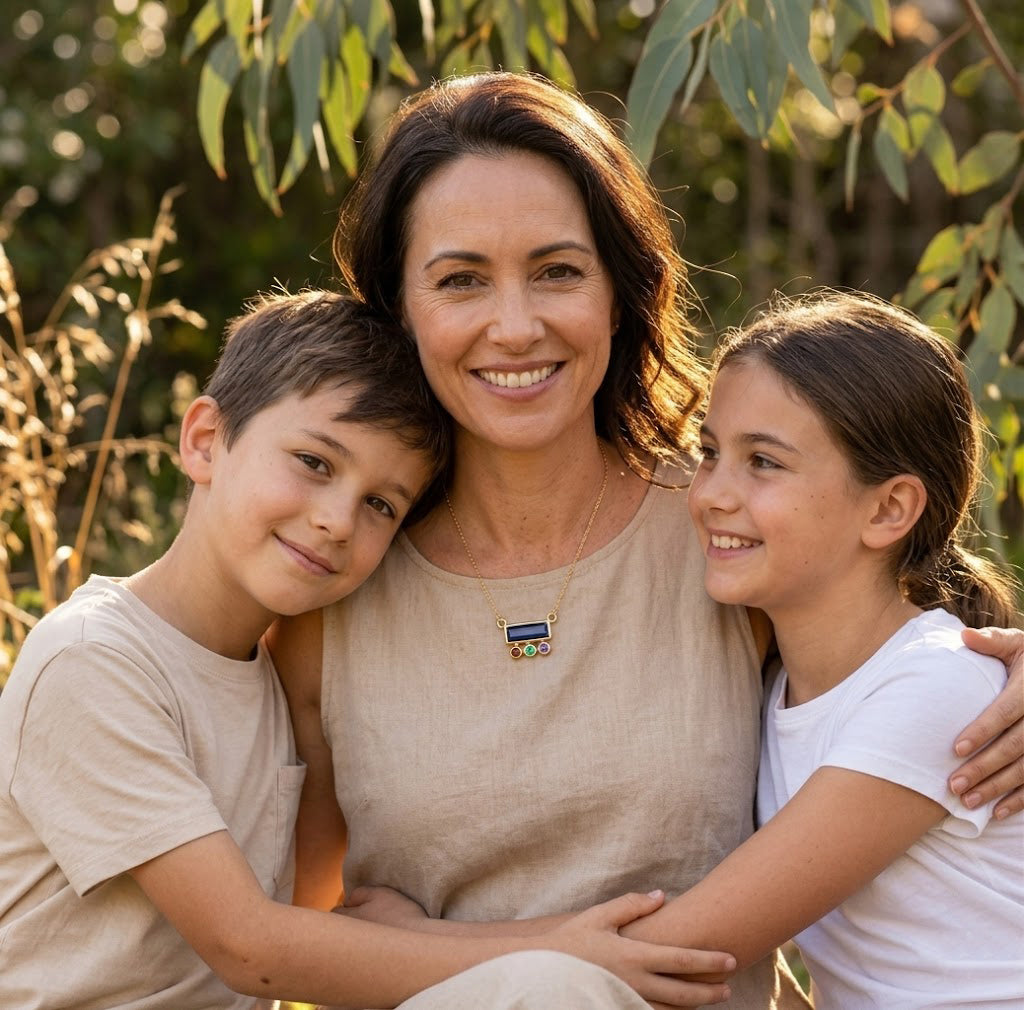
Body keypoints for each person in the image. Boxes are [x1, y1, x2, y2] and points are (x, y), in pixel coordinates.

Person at [270, 73, 1024, 1008]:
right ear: (399, 308)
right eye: (461, 279)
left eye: (557, 272)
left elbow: (891, 654)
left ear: (622, 294)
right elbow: (302, 923)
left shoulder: (725, 539)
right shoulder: (336, 582)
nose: (515, 326)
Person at [0, 291, 736, 1010]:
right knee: (554, 989)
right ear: (204, 442)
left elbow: (312, 911)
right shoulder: (94, 660)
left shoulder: (273, 671)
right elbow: (252, 948)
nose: (335, 521)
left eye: (381, 503)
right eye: (314, 463)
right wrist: (559, 946)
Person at [678, 292, 1023, 1005]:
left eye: (763, 462)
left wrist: (430, 953)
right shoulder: (774, 685)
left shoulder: (936, 688)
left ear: (889, 509)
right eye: (710, 452)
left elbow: (689, 949)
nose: (712, 492)